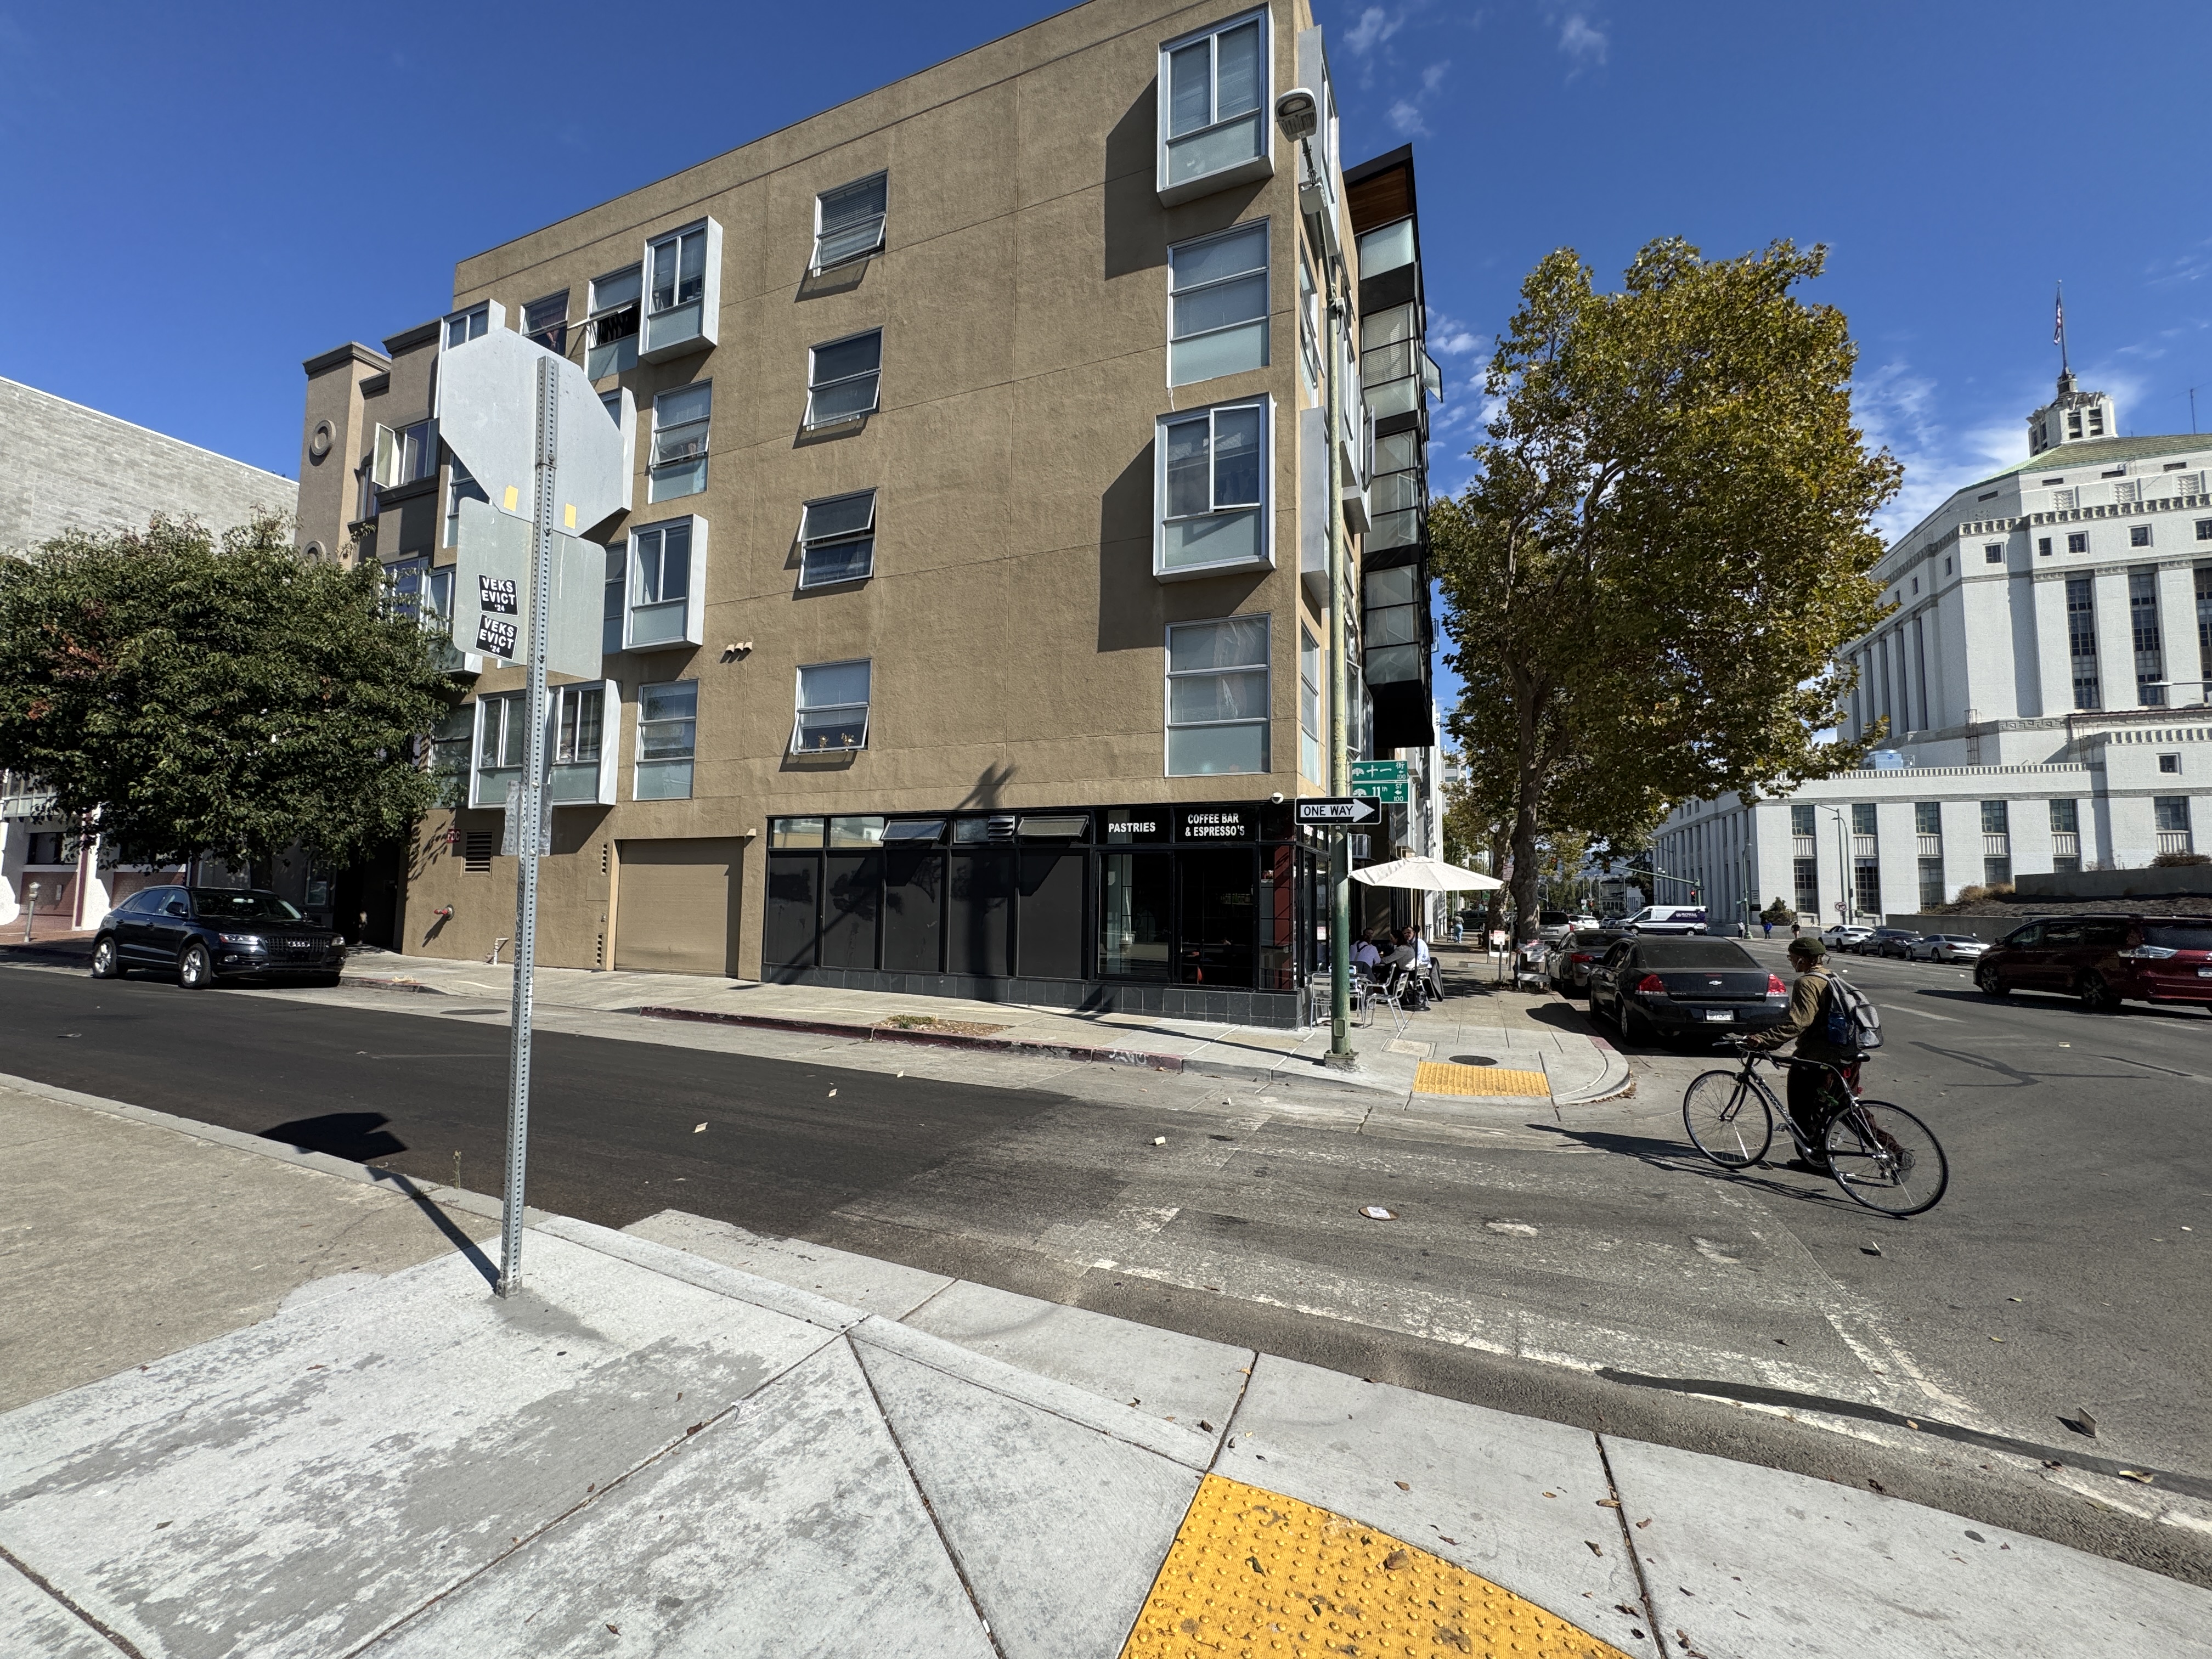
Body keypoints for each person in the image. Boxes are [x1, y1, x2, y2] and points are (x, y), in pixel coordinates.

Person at [1740, 936, 1857, 1172]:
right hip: (1848, 1054)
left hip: (1817, 1059)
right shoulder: (1833, 978)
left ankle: (1814, 1157)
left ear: (1801, 959)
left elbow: (1799, 1023)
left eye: (1792, 957)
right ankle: (1819, 1158)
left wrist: (1764, 1040)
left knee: (1802, 1109)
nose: (1792, 962)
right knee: (1843, 1110)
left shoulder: (1807, 982)